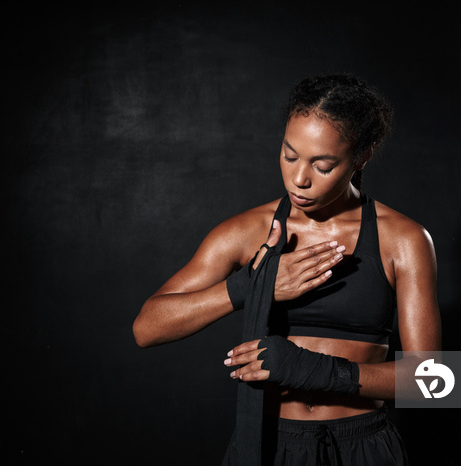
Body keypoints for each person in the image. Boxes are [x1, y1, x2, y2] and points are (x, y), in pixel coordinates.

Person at [133, 73, 441, 465]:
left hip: (363, 446)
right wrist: (251, 286)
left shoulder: (403, 239)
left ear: (362, 156)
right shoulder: (246, 232)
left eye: (323, 164)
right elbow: (146, 328)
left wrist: (314, 370)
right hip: (269, 445)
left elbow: (432, 382)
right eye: (289, 155)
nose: (299, 179)